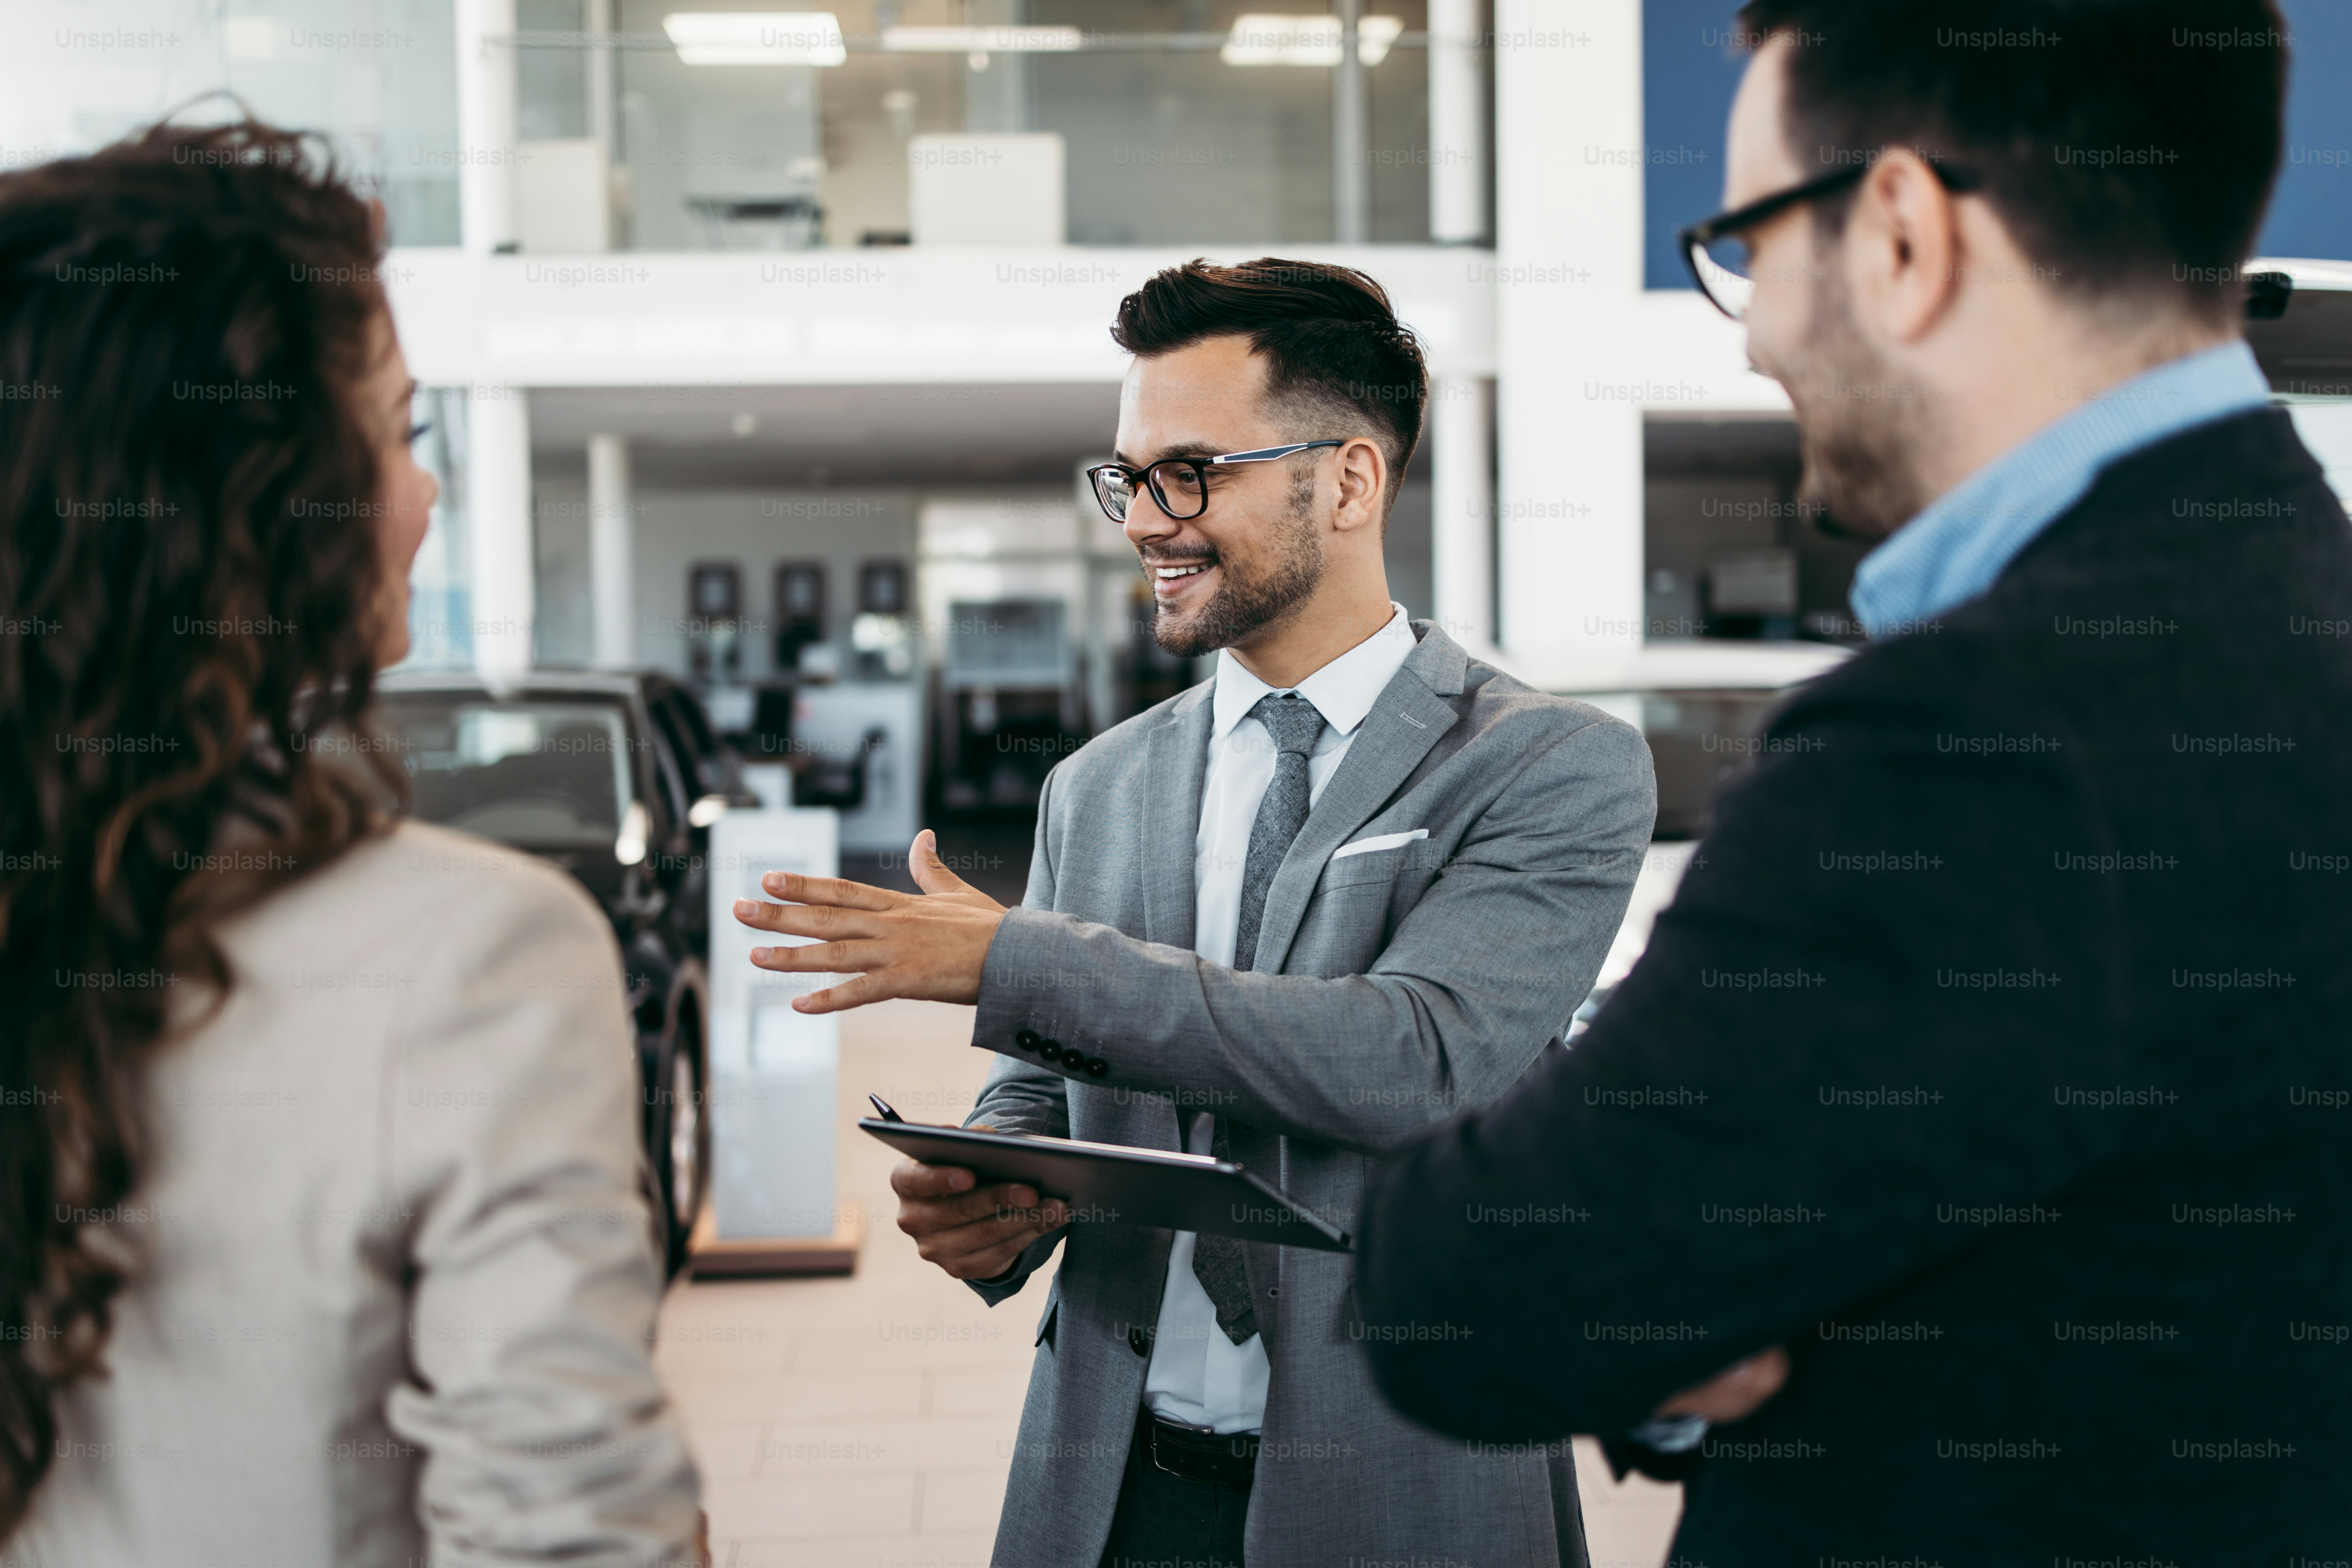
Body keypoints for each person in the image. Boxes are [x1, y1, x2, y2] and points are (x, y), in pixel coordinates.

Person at [1355, 0, 2351, 1556]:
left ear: (1898, 230)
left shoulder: (1974, 741)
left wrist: (1690, 1276)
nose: (1749, 328)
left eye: (1750, 244)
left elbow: (1472, 1289)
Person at [732, 259, 1657, 1567]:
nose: (1146, 520)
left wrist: (1014, 958)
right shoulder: (1096, 786)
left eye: (1191, 472)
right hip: (1114, 1488)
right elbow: (1042, 1089)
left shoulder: (1547, 764)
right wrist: (990, 1192)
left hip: (1408, 1492)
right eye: (1129, 477)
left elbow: (1413, 1061)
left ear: (1347, 480)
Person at [0, 121, 703, 1566]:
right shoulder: (471, 952)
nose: (424, 494)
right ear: (243, 504)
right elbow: (568, 1539)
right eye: (395, 431)